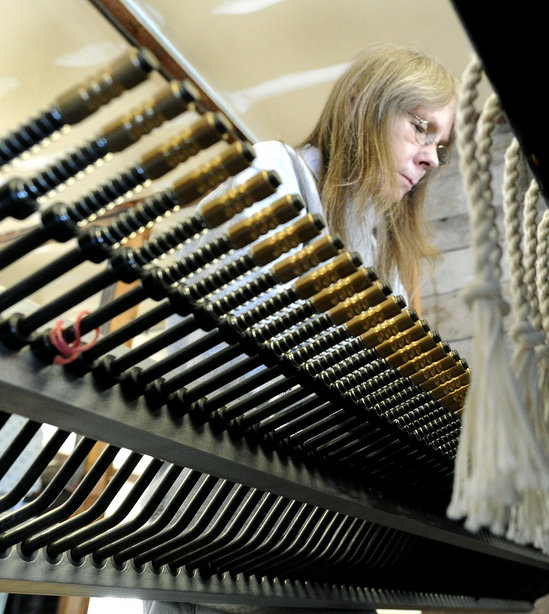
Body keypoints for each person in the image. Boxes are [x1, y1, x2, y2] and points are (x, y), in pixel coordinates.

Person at [142, 43, 457, 614]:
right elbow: (218, 348)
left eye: (439, 144)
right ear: (362, 104)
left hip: (314, 538)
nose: (432, 157)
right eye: (420, 128)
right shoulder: (274, 175)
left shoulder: (382, 262)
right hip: (225, 524)